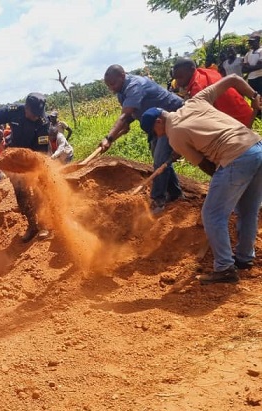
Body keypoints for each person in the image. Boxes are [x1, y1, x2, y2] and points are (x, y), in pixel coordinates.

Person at [138, 75, 262, 284]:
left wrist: (221, 181)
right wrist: (255, 95)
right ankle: (243, 258)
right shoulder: (195, 101)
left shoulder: (174, 135)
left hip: (236, 157)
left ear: (159, 122)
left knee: (212, 214)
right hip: (256, 146)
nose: (159, 136)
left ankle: (224, 268)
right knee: (248, 210)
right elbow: (232, 78)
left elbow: (205, 165)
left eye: (156, 132)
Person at [101, 64, 185, 214]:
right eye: (109, 86)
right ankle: (175, 194)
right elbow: (130, 116)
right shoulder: (122, 92)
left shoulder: (135, 85)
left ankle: (158, 199)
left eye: (113, 84)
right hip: (155, 124)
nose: (111, 89)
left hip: (171, 118)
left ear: (122, 75)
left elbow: (125, 115)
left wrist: (109, 138)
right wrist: (124, 126)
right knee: (158, 156)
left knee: (160, 158)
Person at [0, 93, 52, 242]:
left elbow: (41, 150)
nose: (36, 117)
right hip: (15, 160)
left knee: (38, 191)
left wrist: (30, 167)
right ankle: (32, 225)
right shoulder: (14, 110)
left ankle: (44, 225)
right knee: (21, 195)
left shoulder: (43, 122)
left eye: (38, 114)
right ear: (26, 108)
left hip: (34, 159)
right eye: (33, 113)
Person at [171, 57, 254, 127]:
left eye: (180, 77)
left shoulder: (198, 89)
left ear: (191, 70)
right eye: (176, 78)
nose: (178, 82)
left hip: (237, 123)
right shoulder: (204, 72)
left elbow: (203, 121)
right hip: (245, 112)